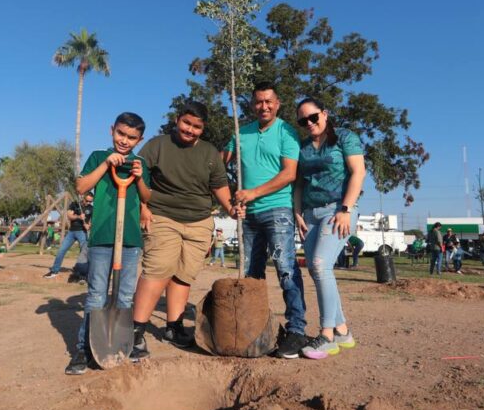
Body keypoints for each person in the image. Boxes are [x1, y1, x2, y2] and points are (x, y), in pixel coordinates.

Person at [131, 101, 236, 357]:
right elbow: (139, 177)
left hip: (200, 221)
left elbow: (219, 185)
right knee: (159, 269)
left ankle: (174, 327)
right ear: (178, 120)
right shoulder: (157, 145)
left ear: (203, 128)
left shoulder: (210, 153)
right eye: (186, 123)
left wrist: (232, 209)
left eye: (196, 127)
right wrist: (143, 207)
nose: (190, 129)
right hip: (162, 216)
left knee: (183, 274)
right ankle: (134, 330)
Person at [223, 82, 307, 359]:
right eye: (258, 102)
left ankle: (296, 329)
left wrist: (252, 192)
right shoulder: (241, 132)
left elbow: (289, 174)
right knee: (250, 273)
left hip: (277, 210)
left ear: (278, 103)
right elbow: (218, 164)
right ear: (252, 105)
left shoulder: (287, 132)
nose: (264, 106)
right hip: (247, 215)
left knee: (285, 269)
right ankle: (254, 327)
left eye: (269, 101)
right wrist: (229, 197)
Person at [64, 112, 152, 375]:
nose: (125, 141)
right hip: (102, 236)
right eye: (121, 134)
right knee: (96, 295)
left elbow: (148, 196)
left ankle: (123, 344)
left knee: (125, 295)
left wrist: (138, 177)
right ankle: (83, 348)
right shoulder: (96, 157)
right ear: (112, 129)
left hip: (130, 240)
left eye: (132, 137)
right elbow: (80, 187)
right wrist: (105, 164)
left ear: (140, 139)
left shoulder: (140, 163)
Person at [292, 98, 366, 359]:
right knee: (315, 269)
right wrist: (297, 211)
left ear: (324, 113)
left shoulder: (344, 137)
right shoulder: (302, 147)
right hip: (310, 214)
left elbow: (358, 172)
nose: (309, 124)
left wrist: (346, 209)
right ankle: (343, 330)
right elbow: (299, 184)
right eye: (303, 121)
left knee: (321, 264)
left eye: (313, 117)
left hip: (338, 210)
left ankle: (326, 335)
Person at [44, 193, 92, 279]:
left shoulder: (91, 208)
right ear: (83, 198)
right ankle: (54, 271)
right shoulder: (75, 204)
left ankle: (82, 273)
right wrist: (78, 217)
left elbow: (93, 221)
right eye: (87, 200)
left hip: (82, 232)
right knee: (61, 250)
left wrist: (89, 226)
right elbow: (69, 215)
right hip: (71, 232)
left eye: (90, 201)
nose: (88, 203)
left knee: (83, 253)